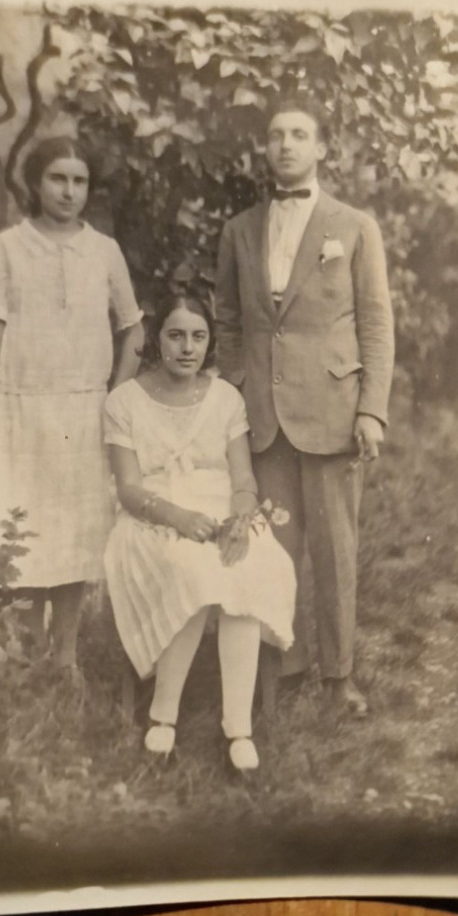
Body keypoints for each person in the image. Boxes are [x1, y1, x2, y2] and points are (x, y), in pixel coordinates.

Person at [215, 97, 395, 715]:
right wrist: (236, 391)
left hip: (333, 411)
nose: (285, 145)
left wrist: (371, 408)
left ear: (321, 149)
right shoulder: (239, 229)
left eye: (299, 135)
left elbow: (375, 322)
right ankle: (285, 672)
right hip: (263, 417)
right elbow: (230, 320)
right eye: (275, 136)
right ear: (265, 150)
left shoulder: (354, 226)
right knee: (273, 548)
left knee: (335, 548)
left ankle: (337, 678)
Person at [0, 135, 144, 667]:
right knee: (23, 527)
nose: (69, 191)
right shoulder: (8, 248)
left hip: (82, 413)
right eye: (57, 179)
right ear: (36, 184)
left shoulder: (104, 251)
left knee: (75, 533)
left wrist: (114, 398)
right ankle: (23, 650)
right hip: (22, 408)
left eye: (79, 180)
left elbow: (133, 328)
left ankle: (64, 656)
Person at [103, 291, 296, 772]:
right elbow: (128, 489)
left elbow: (243, 479)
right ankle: (162, 719)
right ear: (156, 340)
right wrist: (178, 518)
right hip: (153, 517)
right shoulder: (124, 401)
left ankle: (239, 729)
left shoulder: (226, 398)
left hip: (221, 512)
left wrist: (240, 519)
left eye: (198, 336)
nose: (187, 347)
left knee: (249, 568)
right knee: (192, 570)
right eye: (175, 335)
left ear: (209, 343)